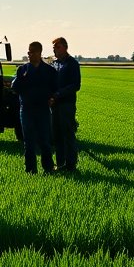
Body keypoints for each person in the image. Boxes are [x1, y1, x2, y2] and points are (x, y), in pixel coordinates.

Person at [12, 41, 57, 174]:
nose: (29, 54)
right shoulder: (23, 70)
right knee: (29, 141)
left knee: (45, 140)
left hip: (43, 109)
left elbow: (55, 88)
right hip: (26, 110)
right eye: (28, 52)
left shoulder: (49, 71)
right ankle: (30, 169)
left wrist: (52, 98)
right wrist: (22, 83)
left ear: (39, 53)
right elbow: (15, 88)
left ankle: (48, 168)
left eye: (32, 52)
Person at [51, 36, 82, 172]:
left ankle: (71, 165)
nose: (55, 50)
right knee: (57, 134)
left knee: (67, 134)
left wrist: (58, 94)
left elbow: (75, 85)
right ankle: (60, 163)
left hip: (66, 104)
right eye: (54, 47)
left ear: (65, 47)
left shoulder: (72, 64)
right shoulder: (55, 63)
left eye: (57, 47)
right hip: (54, 105)